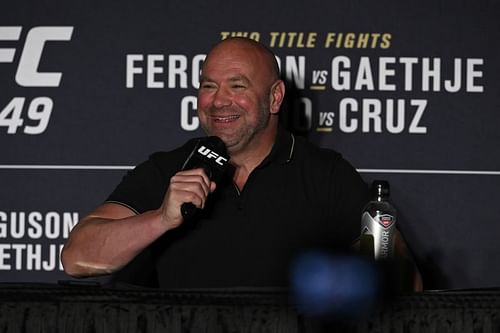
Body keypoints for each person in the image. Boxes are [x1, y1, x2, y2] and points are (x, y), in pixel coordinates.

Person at [62, 37, 419, 289]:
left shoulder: (324, 174)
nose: (219, 101)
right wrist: (161, 218)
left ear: (275, 96)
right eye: (208, 86)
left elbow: (406, 281)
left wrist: (372, 267)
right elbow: (77, 258)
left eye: (238, 86)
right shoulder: (168, 169)